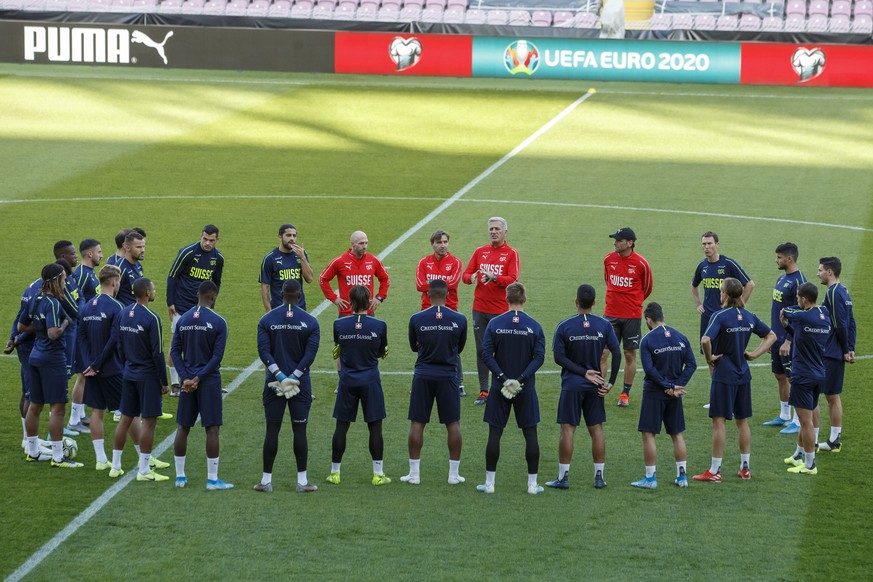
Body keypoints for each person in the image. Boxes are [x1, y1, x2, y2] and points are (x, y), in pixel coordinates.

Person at [694, 278, 776, 482]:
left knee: (719, 422)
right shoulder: (749, 316)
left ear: (726, 295)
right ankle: (745, 468)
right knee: (742, 421)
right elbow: (772, 336)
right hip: (743, 373)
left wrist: (709, 358)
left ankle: (714, 471)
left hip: (724, 375)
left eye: (721, 291)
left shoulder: (719, 316)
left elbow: (705, 340)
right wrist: (755, 354)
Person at [546, 284, 621, 491]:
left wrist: (581, 372)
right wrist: (611, 382)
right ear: (595, 303)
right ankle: (599, 476)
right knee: (596, 429)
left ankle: (563, 477)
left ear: (576, 301)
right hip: (596, 385)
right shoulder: (604, 325)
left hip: (572, 385)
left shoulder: (564, 326)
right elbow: (617, 352)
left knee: (568, 429)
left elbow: (558, 357)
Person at [476, 282, 545, 495]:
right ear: (524, 298)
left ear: (506, 299)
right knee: (530, 434)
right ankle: (532, 485)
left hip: (499, 388)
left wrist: (504, 379)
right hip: (525, 388)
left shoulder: (495, 324)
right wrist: (521, 379)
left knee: (495, 433)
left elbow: (486, 355)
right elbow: (539, 357)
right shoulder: (534, 325)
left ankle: (489, 484)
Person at [254, 280, 320, 493]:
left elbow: (264, 352)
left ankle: (266, 481)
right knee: (299, 429)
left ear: (281, 294)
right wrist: (293, 376)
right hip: (300, 384)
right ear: (299, 295)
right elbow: (310, 354)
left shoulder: (267, 319)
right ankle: (302, 481)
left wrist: (280, 376)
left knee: (272, 429)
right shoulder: (310, 321)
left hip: (274, 383)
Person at [402, 280, 468, 485]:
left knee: (417, 422)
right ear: (447, 294)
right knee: (453, 423)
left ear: (428, 294)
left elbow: (414, 347)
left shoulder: (417, 318)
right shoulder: (460, 319)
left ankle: (414, 475)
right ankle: (453, 475)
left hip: (423, 374)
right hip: (448, 375)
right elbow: (460, 348)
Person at [327, 285, 391, 486]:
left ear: (351, 302)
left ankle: (335, 473)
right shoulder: (379, 325)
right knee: (375, 427)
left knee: (341, 426)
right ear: (369, 301)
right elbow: (382, 352)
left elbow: (339, 350)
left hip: (347, 380)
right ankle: (378, 474)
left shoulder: (339, 325)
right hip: (370, 380)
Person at [170, 281, 232, 490]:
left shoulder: (183, 320)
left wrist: (186, 377)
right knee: (212, 428)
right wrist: (198, 378)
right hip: (208, 381)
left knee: (183, 427)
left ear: (198, 295)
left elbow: (174, 353)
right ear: (213, 297)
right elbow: (217, 357)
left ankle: (180, 477)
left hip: (188, 381)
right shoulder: (218, 322)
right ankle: (212, 479)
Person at [20, 263, 82, 468]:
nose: (65, 282)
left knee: (35, 404)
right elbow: (53, 333)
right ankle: (57, 457)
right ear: (56, 280)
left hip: (35, 355)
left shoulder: (36, 298)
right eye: (63, 279)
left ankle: (33, 451)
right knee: (57, 408)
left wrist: (40, 324)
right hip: (52, 358)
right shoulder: (54, 303)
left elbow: (22, 325)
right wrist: (66, 321)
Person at [631, 302, 697, 489]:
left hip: (654, 391)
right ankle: (682, 476)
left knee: (649, 433)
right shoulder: (680, 337)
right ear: (662, 316)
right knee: (676, 434)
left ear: (648, 320)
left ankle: (650, 478)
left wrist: (668, 385)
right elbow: (691, 364)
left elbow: (649, 369)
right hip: (675, 394)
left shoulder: (647, 340)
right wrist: (678, 385)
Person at [110, 278, 171, 482]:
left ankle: (115, 465)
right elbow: (158, 353)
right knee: (149, 422)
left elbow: (118, 344)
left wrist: (127, 364)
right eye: (153, 288)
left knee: (126, 418)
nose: (155, 291)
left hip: (129, 372)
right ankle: (144, 470)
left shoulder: (124, 313)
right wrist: (163, 381)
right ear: (146, 292)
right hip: (147, 376)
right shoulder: (152, 318)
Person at [461, 217, 520, 405]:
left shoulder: (511, 253)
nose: (493, 232)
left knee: (503, 351)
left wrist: (495, 277)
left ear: (505, 232)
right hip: (479, 309)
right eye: (491, 229)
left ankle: (504, 386)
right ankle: (484, 390)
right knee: (482, 351)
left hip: (501, 311)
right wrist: (472, 278)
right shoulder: (480, 252)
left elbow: (513, 279)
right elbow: (466, 275)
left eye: (497, 229)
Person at [167, 225, 225, 395]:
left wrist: (212, 304)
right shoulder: (187, 252)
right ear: (201, 236)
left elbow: (216, 282)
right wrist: (170, 302)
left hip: (204, 307)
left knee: (205, 343)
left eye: (211, 240)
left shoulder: (218, 258)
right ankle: (175, 383)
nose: (207, 243)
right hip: (182, 306)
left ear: (217, 240)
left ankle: (207, 381)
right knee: (176, 345)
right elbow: (172, 276)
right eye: (205, 239)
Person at [780, 282, 830, 476]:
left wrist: (785, 318)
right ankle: (798, 456)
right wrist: (788, 328)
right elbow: (802, 336)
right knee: (806, 417)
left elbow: (786, 311)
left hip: (803, 375)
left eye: (798, 297)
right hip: (819, 373)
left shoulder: (802, 315)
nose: (797, 300)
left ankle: (810, 465)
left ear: (804, 299)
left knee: (805, 421)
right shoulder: (823, 314)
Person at [602, 227, 653, 408]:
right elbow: (608, 281)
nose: (615, 242)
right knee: (604, 352)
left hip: (631, 316)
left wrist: (633, 301)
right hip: (610, 314)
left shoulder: (641, 264)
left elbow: (647, 288)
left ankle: (625, 393)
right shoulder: (608, 259)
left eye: (618, 240)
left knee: (629, 353)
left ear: (629, 243)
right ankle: (600, 389)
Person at [762, 242, 807, 434]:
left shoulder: (799, 282)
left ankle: (798, 420)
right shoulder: (782, 278)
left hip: (789, 340)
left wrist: (789, 339)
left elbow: (801, 313)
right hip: (776, 338)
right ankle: (784, 415)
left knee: (792, 378)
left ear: (789, 258)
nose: (776, 260)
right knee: (779, 375)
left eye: (779, 257)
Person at [415, 229, 465, 394]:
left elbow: (453, 284)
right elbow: (419, 285)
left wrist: (432, 281)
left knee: (452, 347)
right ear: (432, 244)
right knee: (423, 345)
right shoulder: (423, 262)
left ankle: (458, 383)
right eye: (439, 242)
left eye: (445, 242)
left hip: (450, 310)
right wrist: (443, 280)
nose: (443, 245)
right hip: (427, 310)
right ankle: (420, 380)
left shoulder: (456, 262)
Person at [814, 257, 855, 453]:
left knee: (829, 396)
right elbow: (851, 321)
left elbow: (841, 324)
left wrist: (846, 349)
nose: (818, 273)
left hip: (831, 352)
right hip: (837, 350)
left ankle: (833, 441)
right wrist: (850, 347)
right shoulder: (844, 291)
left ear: (830, 272)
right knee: (832, 395)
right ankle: (834, 440)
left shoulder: (833, 293)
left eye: (820, 270)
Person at [691, 231, 755, 347]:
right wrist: (698, 304)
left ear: (717, 245)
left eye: (710, 243)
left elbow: (750, 284)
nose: (706, 247)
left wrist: (739, 304)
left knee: (724, 351)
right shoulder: (702, 266)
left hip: (726, 316)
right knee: (708, 352)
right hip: (707, 316)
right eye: (704, 244)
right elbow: (694, 285)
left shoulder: (728, 264)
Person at [68, 238, 103, 433]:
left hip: (89, 332)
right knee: (82, 374)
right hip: (83, 333)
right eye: (99, 251)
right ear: (89, 254)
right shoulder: (81, 274)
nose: (101, 254)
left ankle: (80, 414)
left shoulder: (90, 273)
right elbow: (74, 301)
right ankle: (73, 420)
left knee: (86, 374)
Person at [319, 230, 390, 317]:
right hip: (346, 313)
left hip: (367, 313)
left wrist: (380, 297)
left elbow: (385, 278)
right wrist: (334, 298)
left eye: (366, 243)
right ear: (353, 244)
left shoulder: (373, 260)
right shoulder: (340, 261)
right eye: (361, 243)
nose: (364, 246)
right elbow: (323, 279)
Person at [260, 223, 313, 312]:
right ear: (280, 237)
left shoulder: (301, 255)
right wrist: (269, 313)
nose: (292, 238)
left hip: (299, 309)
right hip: (279, 310)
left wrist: (302, 258)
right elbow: (264, 288)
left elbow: (309, 279)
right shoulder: (270, 258)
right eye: (288, 235)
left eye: (294, 236)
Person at [116, 231, 146, 307]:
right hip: (125, 314)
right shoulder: (120, 268)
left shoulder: (138, 265)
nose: (143, 250)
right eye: (138, 247)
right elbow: (110, 296)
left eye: (143, 246)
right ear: (127, 247)